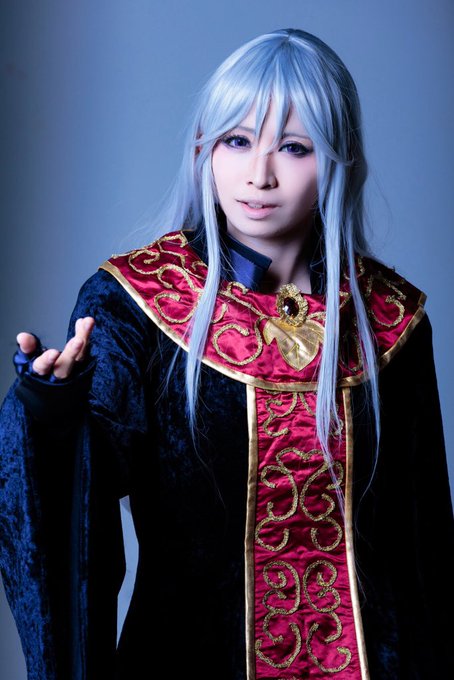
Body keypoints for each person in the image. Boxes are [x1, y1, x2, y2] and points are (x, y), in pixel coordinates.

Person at [0, 27, 453, 680]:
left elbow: (427, 553)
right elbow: (80, 494)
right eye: (236, 140)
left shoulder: (391, 319)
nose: (259, 175)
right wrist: (52, 412)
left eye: (293, 147)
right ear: (202, 147)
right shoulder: (134, 302)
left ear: (339, 161)